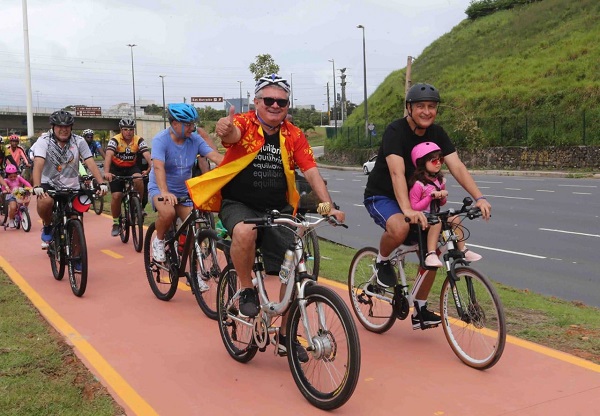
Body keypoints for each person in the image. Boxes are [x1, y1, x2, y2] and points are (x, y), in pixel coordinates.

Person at [186, 74, 344, 357]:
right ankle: (246, 289)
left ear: (287, 104)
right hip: (239, 203)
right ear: (256, 101)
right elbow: (231, 135)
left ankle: (285, 335)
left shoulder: (294, 134)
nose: (274, 105)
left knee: (296, 260)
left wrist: (328, 205)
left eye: (280, 101)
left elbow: (310, 171)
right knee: (245, 231)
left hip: (277, 208)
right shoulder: (245, 123)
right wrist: (224, 128)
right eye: (268, 100)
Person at [363, 82, 491, 330]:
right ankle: (382, 260)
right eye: (420, 106)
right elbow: (397, 173)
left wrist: (480, 197)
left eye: (431, 107)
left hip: (418, 199)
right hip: (383, 196)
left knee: (432, 252)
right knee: (400, 228)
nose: (426, 111)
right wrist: (408, 211)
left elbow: (457, 167)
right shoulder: (395, 131)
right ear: (409, 108)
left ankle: (420, 309)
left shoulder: (437, 133)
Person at [147, 103, 223, 274]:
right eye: (187, 124)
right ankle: (158, 241)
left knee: (193, 230)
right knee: (168, 213)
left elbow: (214, 156)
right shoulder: (161, 140)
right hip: (160, 188)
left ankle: (195, 273)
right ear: (174, 124)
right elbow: (158, 167)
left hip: (183, 191)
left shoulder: (194, 139)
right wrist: (165, 192)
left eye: (192, 124)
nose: (192, 128)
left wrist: (234, 167)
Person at [31, 110, 108, 248]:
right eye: (59, 126)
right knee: (45, 201)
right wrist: (37, 185)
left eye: (67, 126)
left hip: (72, 186)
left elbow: (90, 161)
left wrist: (101, 183)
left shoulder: (79, 141)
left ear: (71, 127)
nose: (63, 130)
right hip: (48, 183)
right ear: (53, 127)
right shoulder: (43, 141)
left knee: (76, 219)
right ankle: (48, 225)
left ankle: (78, 257)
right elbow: (38, 163)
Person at [408, 142, 482, 268]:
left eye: (440, 160)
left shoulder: (439, 181)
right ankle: (431, 254)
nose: (438, 163)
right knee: (437, 222)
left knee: (454, 218)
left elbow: (442, 203)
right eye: (433, 160)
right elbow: (414, 207)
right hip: (421, 218)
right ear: (422, 163)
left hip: (434, 214)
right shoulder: (418, 185)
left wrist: (441, 197)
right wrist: (430, 197)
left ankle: (463, 249)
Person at [103, 118, 152, 237]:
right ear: (121, 130)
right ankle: (115, 222)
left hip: (131, 167)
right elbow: (109, 155)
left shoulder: (139, 140)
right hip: (116, 169)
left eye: (131, 129)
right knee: (116, 196)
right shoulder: (114, 140)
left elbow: (147, 155)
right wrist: (106, 172)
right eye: (125, 129)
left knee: (139, 178)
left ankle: (138, 206)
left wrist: (150, 168)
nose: (128, 132)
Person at [3, 164, 32, 228]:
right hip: (11, 196)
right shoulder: (5, 181)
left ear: (16, 174)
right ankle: (11, 220)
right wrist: (6, 191)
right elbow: (3, 189)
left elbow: (26, 182)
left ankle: (26, 208)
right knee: (13, 207)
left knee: (27, 196)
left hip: (19, 194)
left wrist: (30, 187)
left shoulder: (19, 177)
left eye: (14, 176)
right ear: (7, 175)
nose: (13, 178)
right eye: (11, 177)